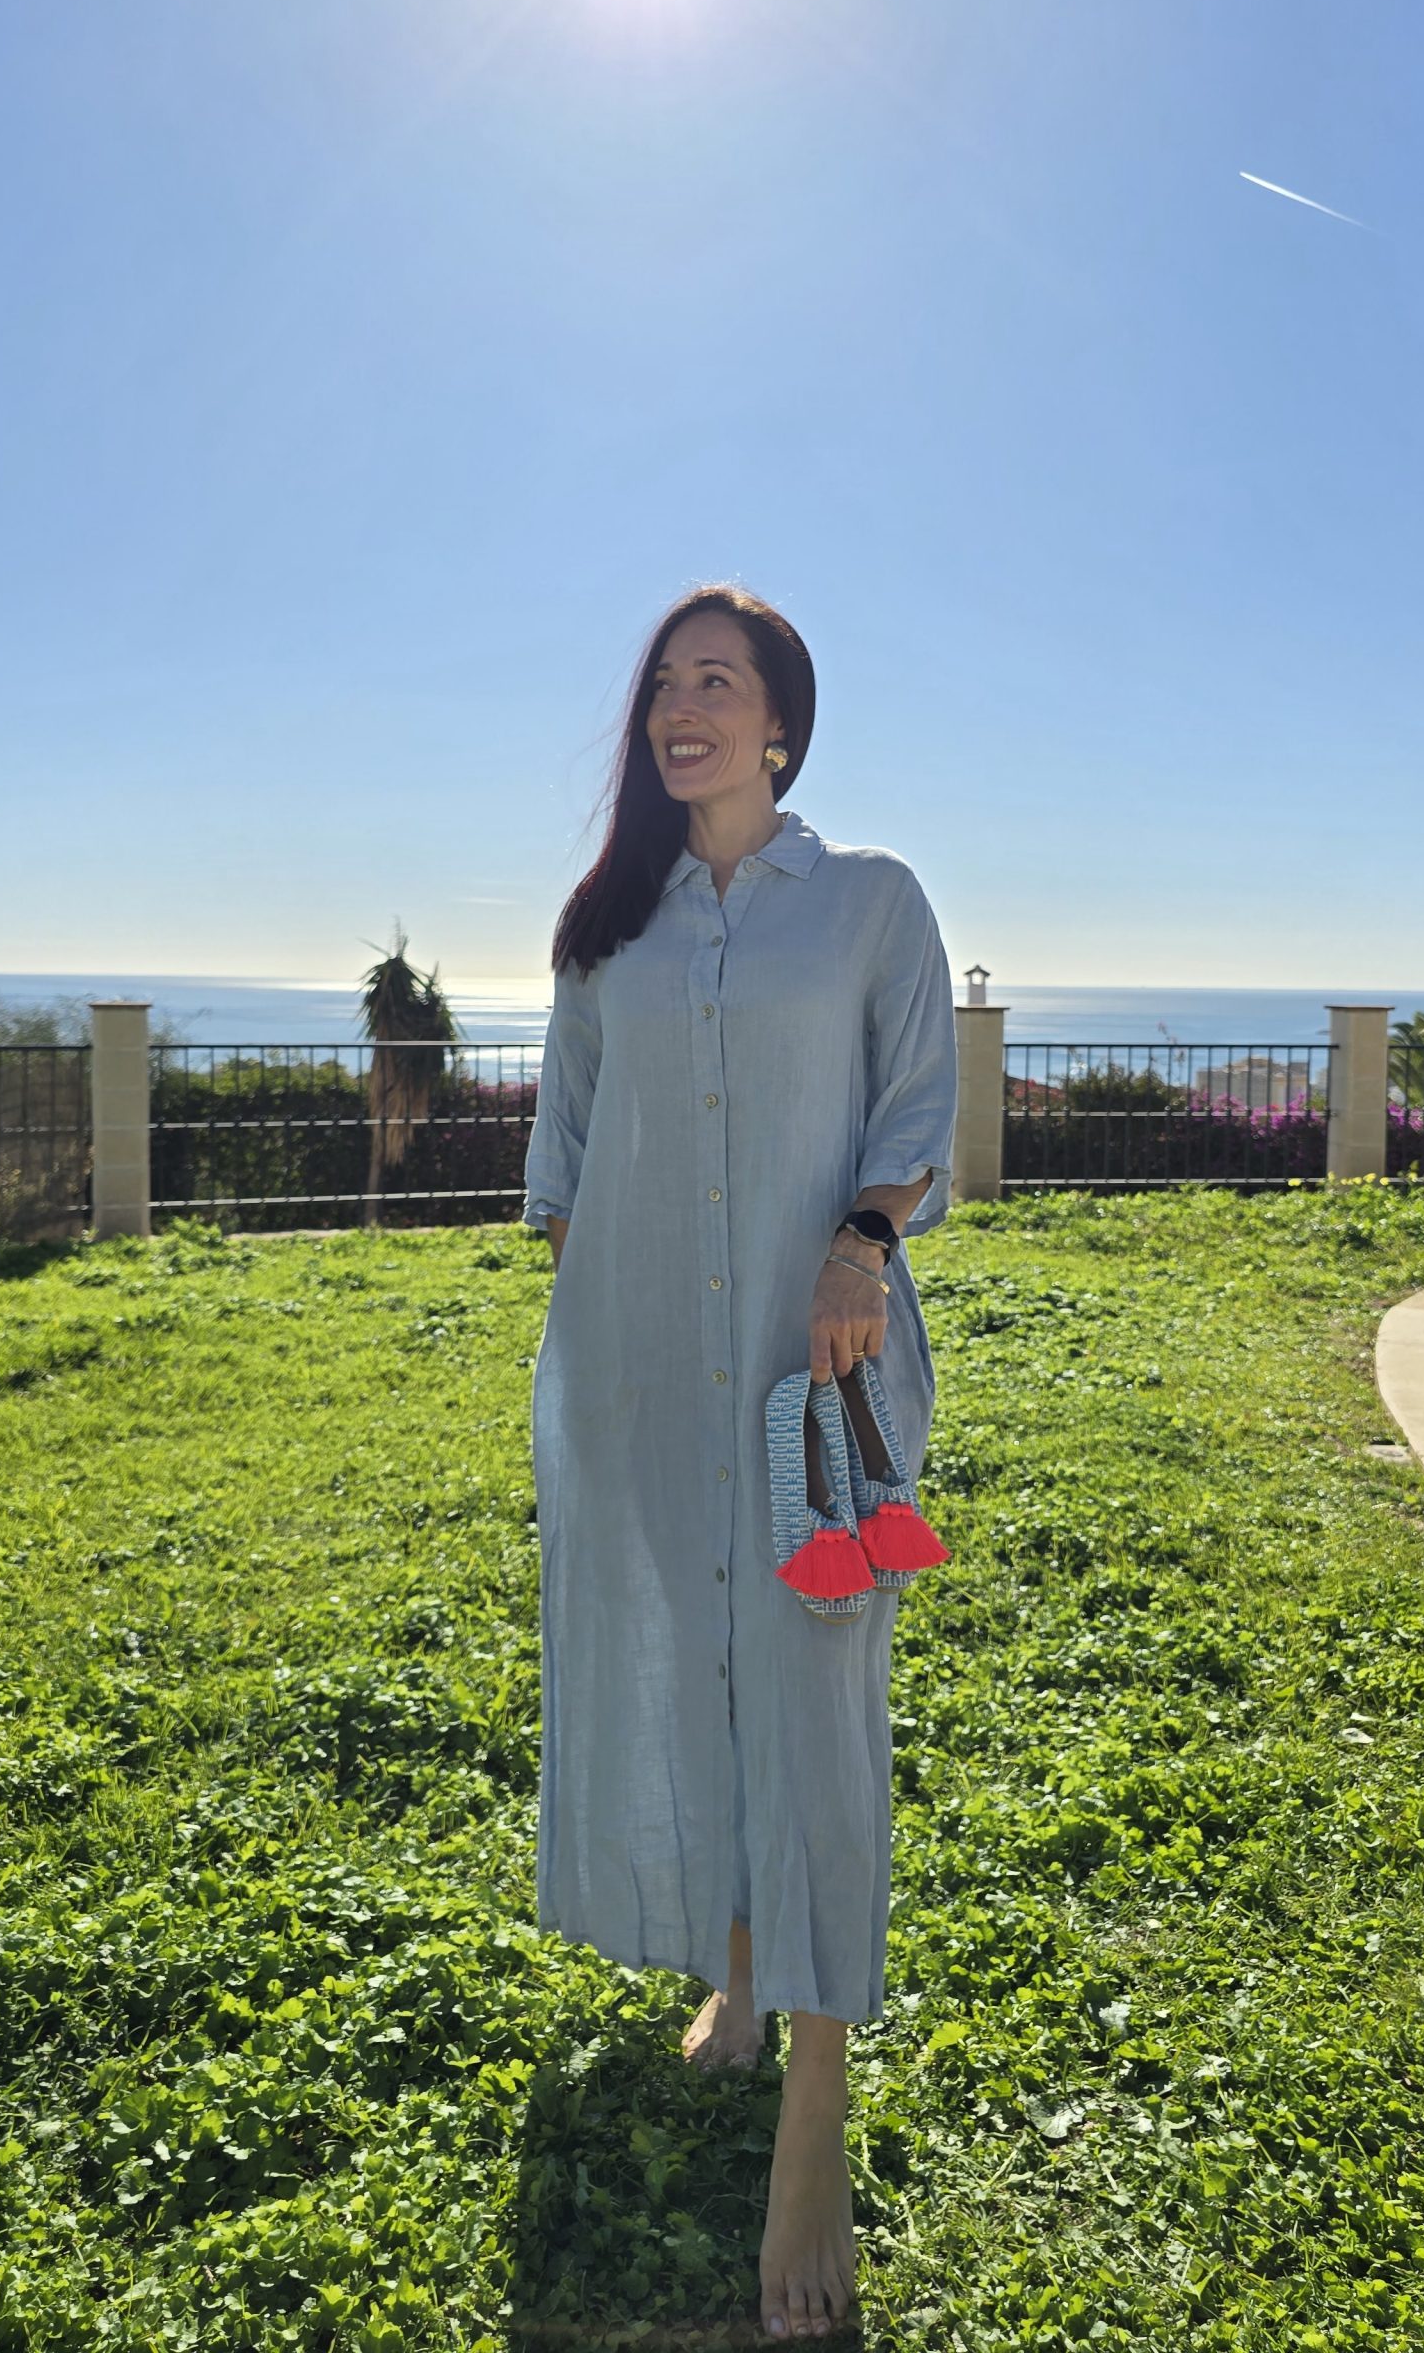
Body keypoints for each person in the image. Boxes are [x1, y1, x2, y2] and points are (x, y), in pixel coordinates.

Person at [522, 583, 958, 2342]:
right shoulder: (603, 932)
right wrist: (600, 1344)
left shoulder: (870, 907)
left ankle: (812, 2127)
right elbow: (563, 1156)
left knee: (812, 1708)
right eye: (663, 686)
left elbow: (917, 1116)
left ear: (782, 720)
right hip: (641, 1373)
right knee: (688, 1672)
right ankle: (737, 1971)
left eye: (720, 682)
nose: (682, 707)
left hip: (813, 1382)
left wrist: (858, 1241)